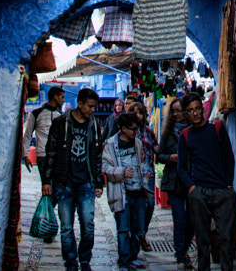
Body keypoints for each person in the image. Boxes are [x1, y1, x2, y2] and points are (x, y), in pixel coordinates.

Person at [42, 87, 104, 271]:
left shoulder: (93, 125)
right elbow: (51, 152)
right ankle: (70, 262)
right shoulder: (61, 123)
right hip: (64, 183)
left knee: (88, 225)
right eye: (90, 106)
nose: (93, 110)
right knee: (67, 227)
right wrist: (47, 180)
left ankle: (85, 259)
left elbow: (97, 156)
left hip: (86, 183)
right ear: (80, 104)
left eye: (94, 107)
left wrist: (98, 181)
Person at [177, 92, 236, 271]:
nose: (195, 113)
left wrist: (227, 185)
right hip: (199, 192)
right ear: (186, 114)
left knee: (226, 239)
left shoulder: (217, 128)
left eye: (197, 109)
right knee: (202, 241)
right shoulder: (186, 135)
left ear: (202, 109)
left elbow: (229, 158)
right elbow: (181, 167)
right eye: (190, 111)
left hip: (221, 191)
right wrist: (192, 188)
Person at [102, 112, 153, 271]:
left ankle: (133, 257)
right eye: (132, 129)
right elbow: (105, 167)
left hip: (138, 192)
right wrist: (121, 172)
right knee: (123, 229)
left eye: (136, 129)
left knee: (138, 228)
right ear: (123, 129)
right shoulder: (110, 145)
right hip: (121, 194)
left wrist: (144, 174)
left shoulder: (137, 143)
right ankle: (124, 261)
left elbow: (141, 162)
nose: (135, 132)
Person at [158, 98, 194, 271]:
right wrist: (170, 158)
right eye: (174, 111)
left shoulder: (192, 131)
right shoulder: (168, 133)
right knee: (179, 220)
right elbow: (159, 155)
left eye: (180, 110)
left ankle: (184, 250)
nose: (177, 114)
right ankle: (180, 256)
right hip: (173, 181)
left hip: (191, 180)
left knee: (191, 220)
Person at [22, 86, 66, 176]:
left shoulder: (61, 116)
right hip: (43, 156)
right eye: (62, 97)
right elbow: (27, 135)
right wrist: (25, 155)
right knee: (47, 186)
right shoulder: (37, 114)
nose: (63, 100)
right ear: (55, 97)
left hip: (57, 157)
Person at [133, 102, 158, 252]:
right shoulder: (127, 132)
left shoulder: (148, 132)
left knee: (149, 205)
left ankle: (142, 233)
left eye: (140, 113)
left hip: (148, 172)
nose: (137, 115)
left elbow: (155, 147)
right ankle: (138, 237)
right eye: (134, 112)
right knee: (137, 206)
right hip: (133, 174)